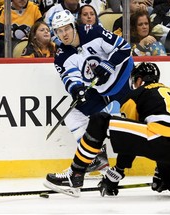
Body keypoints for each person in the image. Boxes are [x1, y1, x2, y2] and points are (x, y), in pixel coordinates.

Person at [44, 62, 170, 201]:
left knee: (100, 120)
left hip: (159, 139)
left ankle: (75, 174)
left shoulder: (137, 94)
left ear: (139, 80)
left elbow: (129, 142)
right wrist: (160, 170)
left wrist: (115, 174)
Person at [47, 10, 134, 173]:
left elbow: (124, 47)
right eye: (59, 31)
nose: (63, 34)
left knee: (137, 119)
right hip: (101, 91)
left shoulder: (93, 31)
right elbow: (68, 77)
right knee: (74, 114)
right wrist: (76, 89)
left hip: (123, 81)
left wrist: (109, 64)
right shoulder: (61, 55)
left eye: (66, 28)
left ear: (73, 25)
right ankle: (96, 157)